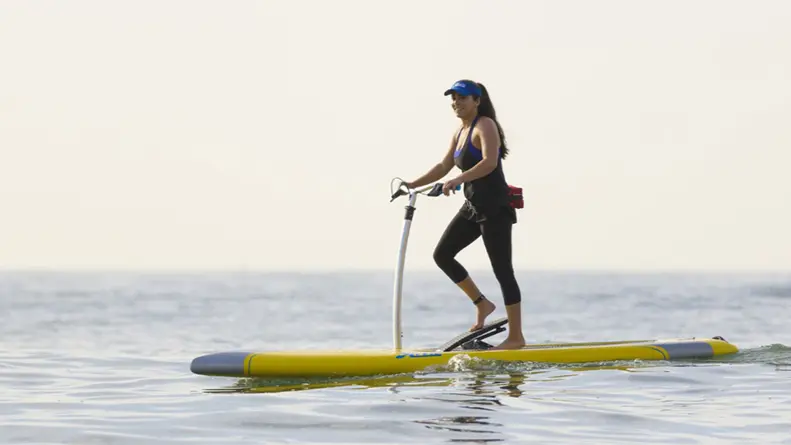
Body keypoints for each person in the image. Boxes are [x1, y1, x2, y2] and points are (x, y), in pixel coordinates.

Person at [405, 79, 526, 350]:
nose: (456, 103)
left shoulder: (485, 125)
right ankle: (482, 303)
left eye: (462, 98)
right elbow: (444, 165)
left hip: (495, 208)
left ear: (477, 101)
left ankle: (516, 337)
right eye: (453, 98)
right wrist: (412, 184)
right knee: (442, 255)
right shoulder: (460, 131)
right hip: (473, 208)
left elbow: (489, 162)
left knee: (503, 270)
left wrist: (458, 179)